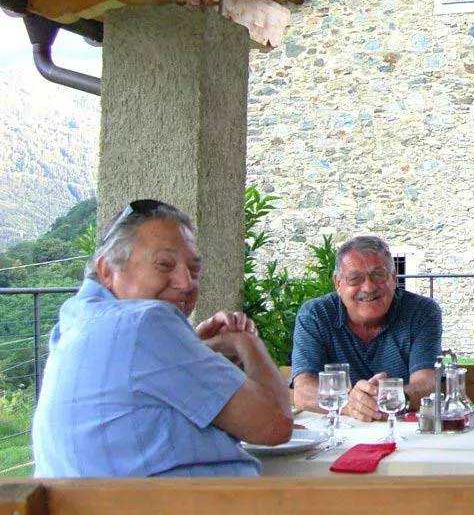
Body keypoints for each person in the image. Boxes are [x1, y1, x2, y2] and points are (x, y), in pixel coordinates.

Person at [32, 200, 292, 477]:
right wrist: (246, 342)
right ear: (108, 270)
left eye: (194, 270)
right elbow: (275, 425)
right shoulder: (145, 322)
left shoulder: (77, 319)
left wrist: (194, 347)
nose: (186, 282)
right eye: (164, 264)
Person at [291, 235, 441, 421]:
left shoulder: (421, 312)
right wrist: (349, 404)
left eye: (378, 275)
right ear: (338, 283)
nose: (369, 287)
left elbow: (427, 382)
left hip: (404, 434)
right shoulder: (315, 315)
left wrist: (392, 399)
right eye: (355, 279)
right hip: (339, 437)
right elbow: (303, 390)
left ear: (393, 278)